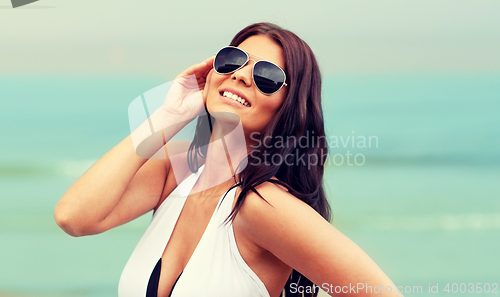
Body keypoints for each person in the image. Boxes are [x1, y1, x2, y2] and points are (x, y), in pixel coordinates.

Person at [54, 22, 400, 297]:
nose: (241, 75)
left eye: (266, 77)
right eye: (233, 60)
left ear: (289, 105)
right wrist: (168, 117)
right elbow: (74, 217)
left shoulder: (263, 207)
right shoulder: (175, 173)